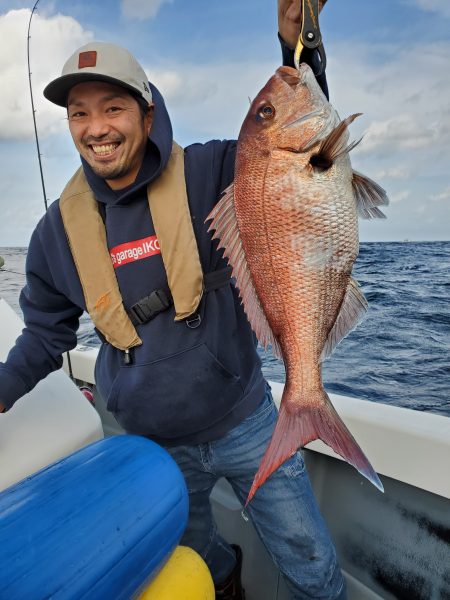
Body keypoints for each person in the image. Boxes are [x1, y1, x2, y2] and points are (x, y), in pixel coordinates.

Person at [0, 2, 346, 599]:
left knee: (310, 561)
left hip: (247, 420)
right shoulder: (55, 233)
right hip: (150, 442)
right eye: (79, 113)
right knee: (191, 564)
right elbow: (44, 333)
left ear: (147, 110)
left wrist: (300, 48)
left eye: (113, 108)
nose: (96, 127)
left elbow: (294, 154)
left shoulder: (212, 168)